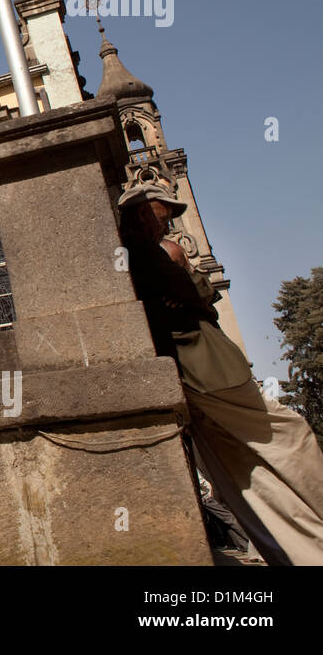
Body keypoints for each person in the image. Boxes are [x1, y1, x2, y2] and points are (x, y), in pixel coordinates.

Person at [119, 183, 323, 565]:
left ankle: (306, 554)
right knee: (292, 435)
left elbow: (196, 294)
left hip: (187, 379)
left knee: (244, 478)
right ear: (145, 214)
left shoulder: (134, 253)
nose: (166, 229)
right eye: (162, 219)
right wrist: (183, 269)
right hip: (210, 374)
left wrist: (189, 285)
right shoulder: (152, 252)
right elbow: (199, 292)